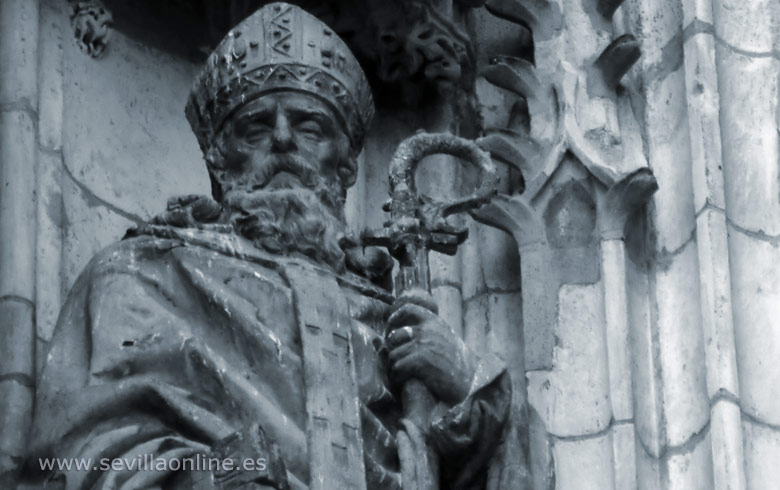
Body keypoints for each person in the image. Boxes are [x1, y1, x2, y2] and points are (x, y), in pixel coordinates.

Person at [24, 3, 512, 489]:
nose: (282, 140)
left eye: (310, 126)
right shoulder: (144, 274)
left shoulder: (393, 319)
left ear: (344, 167)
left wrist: (468, 384)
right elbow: (81, 453)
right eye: (256, 125)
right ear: (219, 159)